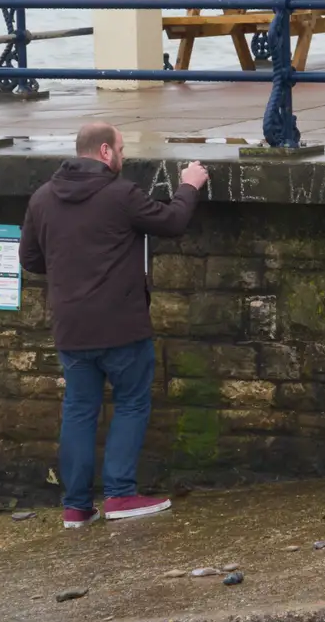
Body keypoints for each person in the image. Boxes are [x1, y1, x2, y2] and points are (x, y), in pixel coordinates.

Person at [18, 123, 209, 528]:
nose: (123, 157)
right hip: (121, 325)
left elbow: (31, 260)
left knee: (79, 410)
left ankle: (76, 507)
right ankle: (121, 495)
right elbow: (173, 222)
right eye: (121, 149)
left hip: (71, 327)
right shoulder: (120, 195)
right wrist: (189, 185)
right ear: (105, 151)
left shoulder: (42, 198)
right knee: (132, 402)